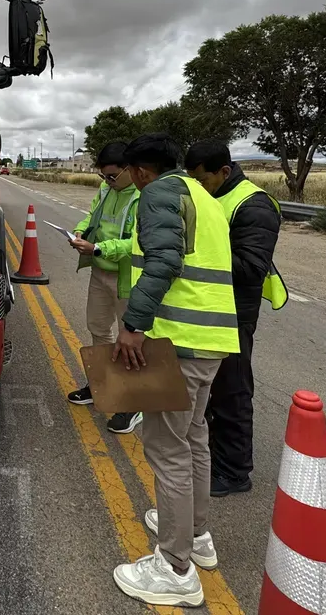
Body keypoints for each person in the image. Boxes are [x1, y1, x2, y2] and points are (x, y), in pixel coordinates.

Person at [109, 132, 238, 608]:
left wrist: (133, 325)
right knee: (194, 436)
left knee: (166, 449)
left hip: (181, 341)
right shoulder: (203, 195)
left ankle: (175, 568)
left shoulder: (160, 193)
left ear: (141, 171)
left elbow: (164, 261)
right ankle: (196, 535)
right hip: (213, 340)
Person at [184, 140, 288, 497]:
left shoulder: (253, 205)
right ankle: (215, 456)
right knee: (211, 391)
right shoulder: (212, 197)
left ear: (224, 172)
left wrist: (197, 254)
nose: (197, 187)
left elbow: (251, 268)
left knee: (232, 391)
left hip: (235, 313)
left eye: (202, 179)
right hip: (208, 308)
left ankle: (234, 472)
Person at [65, 141, 142, 433]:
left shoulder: (143, 196)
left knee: (132, 341)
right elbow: (93, 215)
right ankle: (102, 384)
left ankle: (134, 403)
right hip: (101, 271)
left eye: (112, 176)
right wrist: (81, 230)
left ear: (129, 169)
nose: (107, 182)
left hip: (127, 277)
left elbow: (137, 243)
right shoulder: (106, 189)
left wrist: (98, 248)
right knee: (98, 328)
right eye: (103, 177)